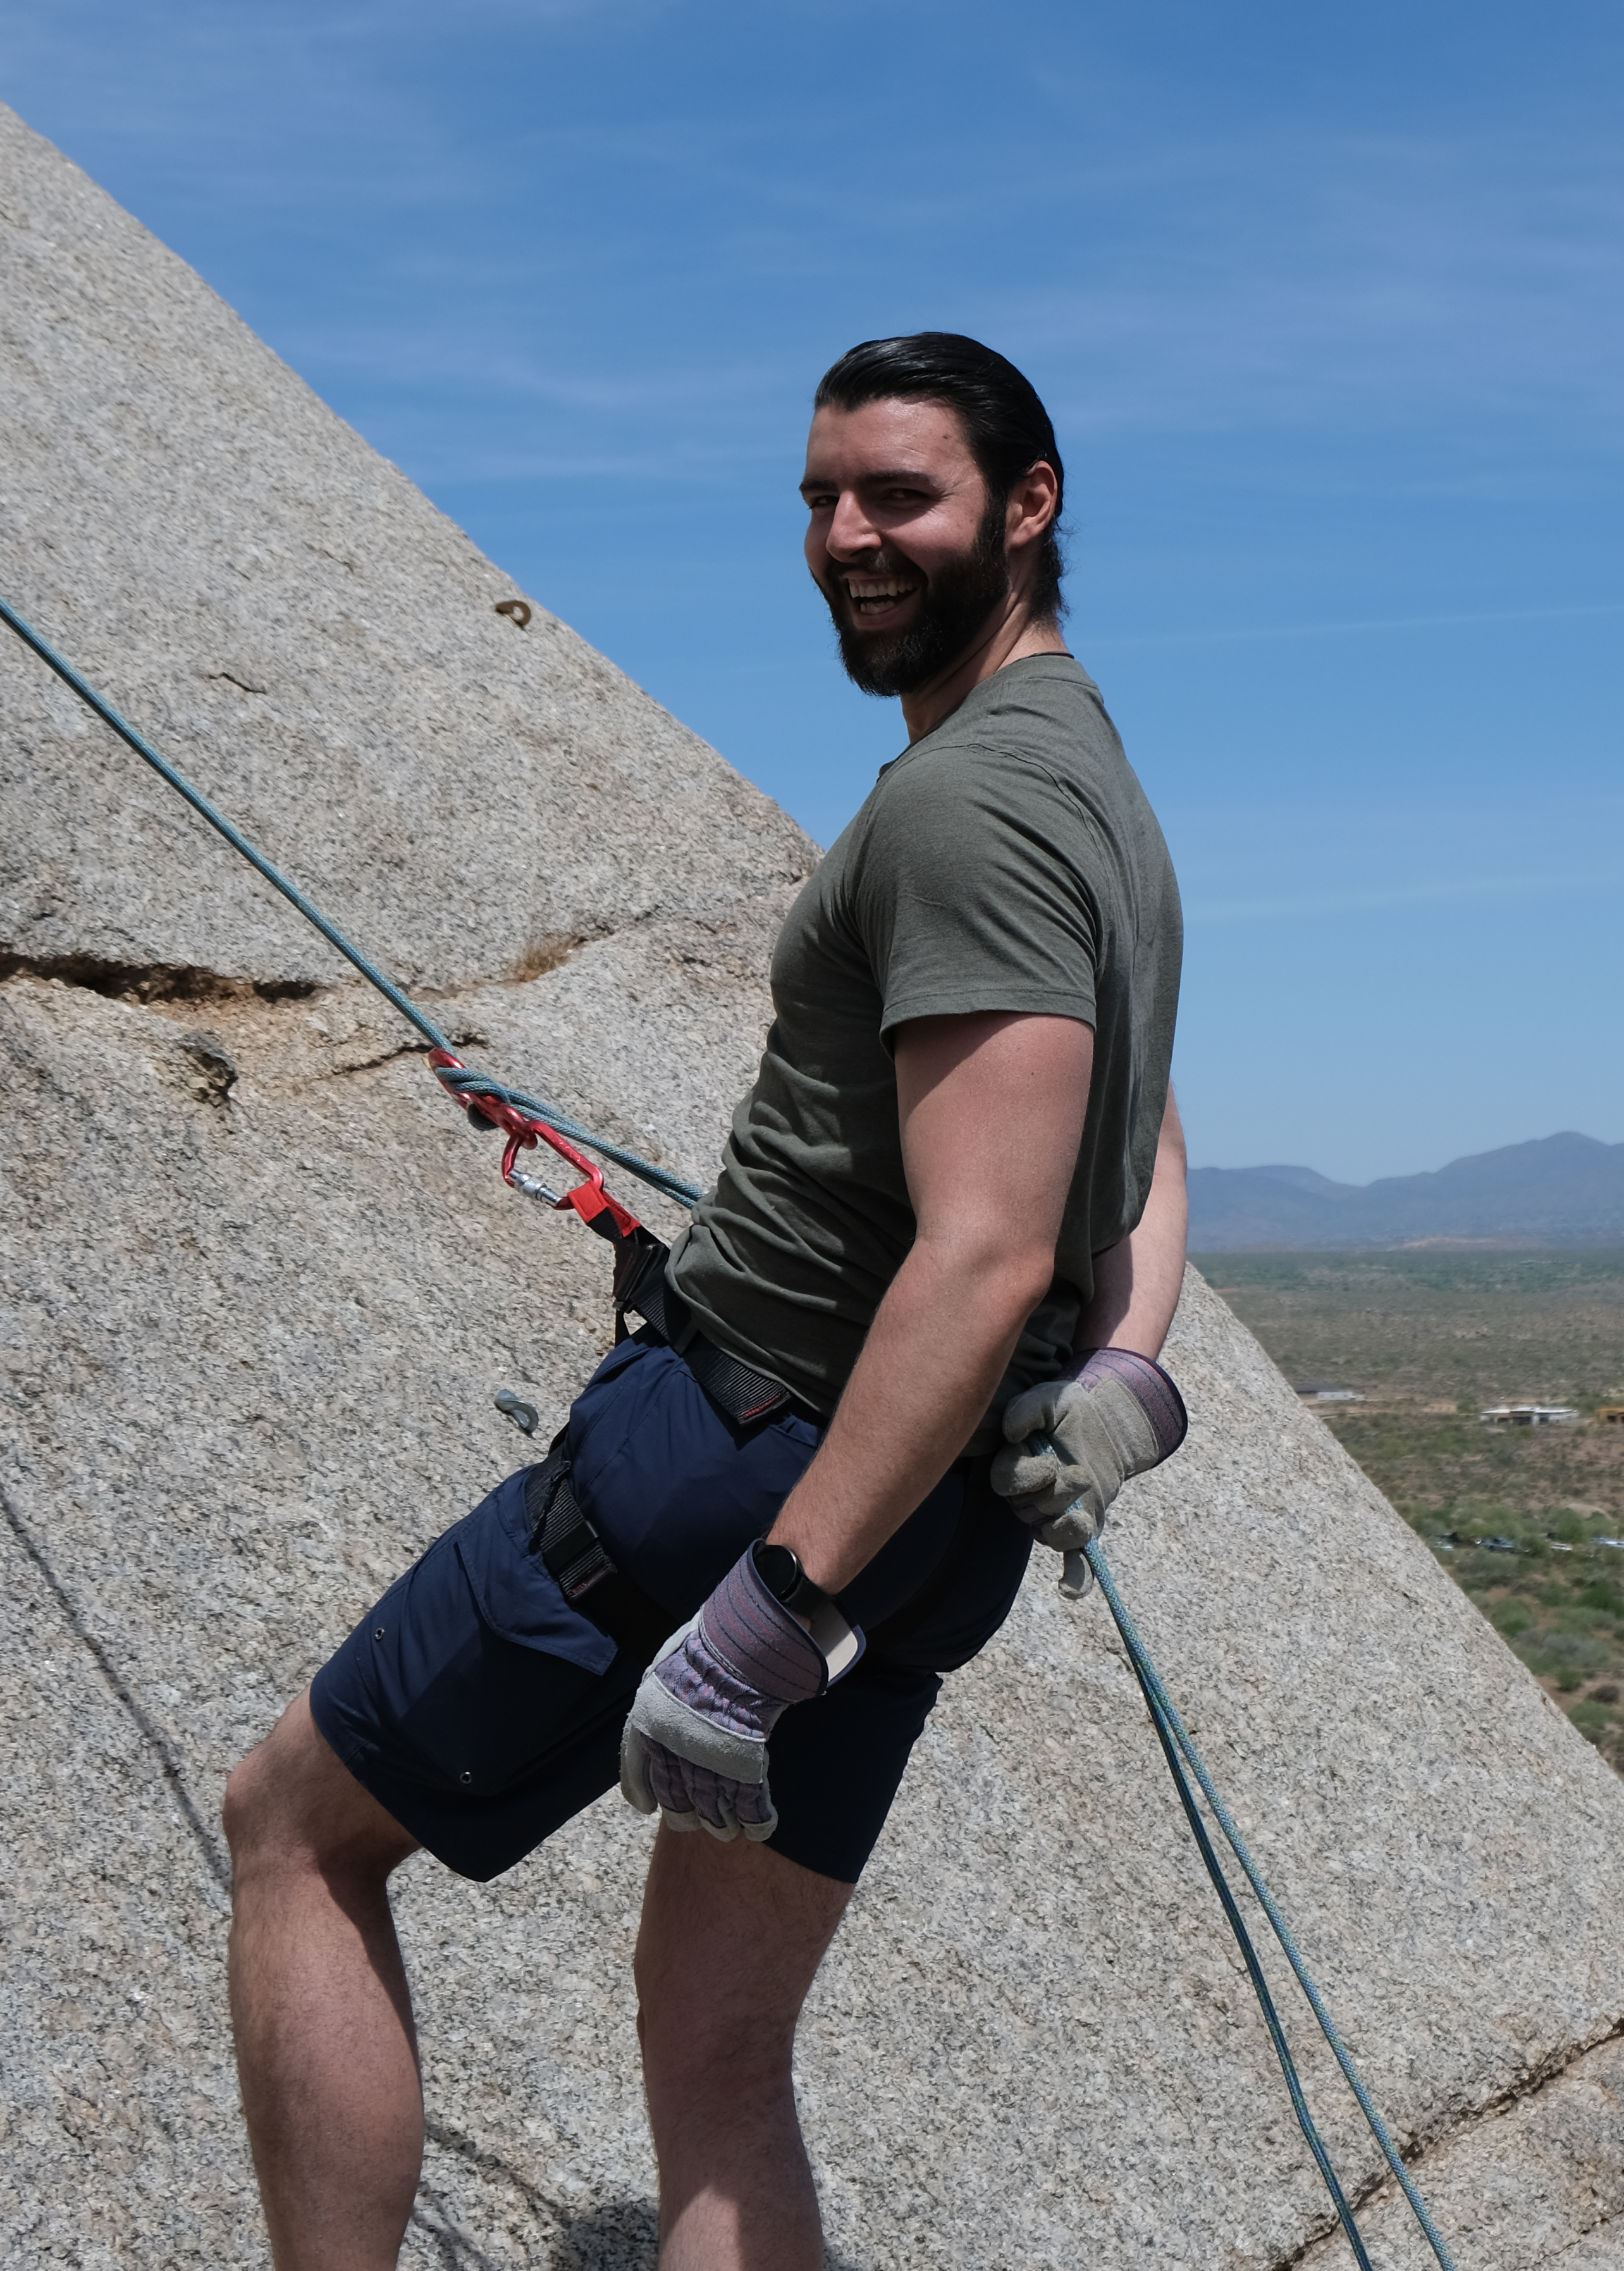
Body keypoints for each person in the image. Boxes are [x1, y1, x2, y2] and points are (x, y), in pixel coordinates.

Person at [221, 333, 1190, 2271]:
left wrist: (770, 1613)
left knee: (296, 1840)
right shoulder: (1093, 790)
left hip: (752, 1474)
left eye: (899, 494)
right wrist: (1133, 1374)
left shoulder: (968, 813)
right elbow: (1138, 1139)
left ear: (1030, 502)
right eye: (822, 499)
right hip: (929, 1523)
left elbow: (991, 1245)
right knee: (724, 2040)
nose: (849, 538)